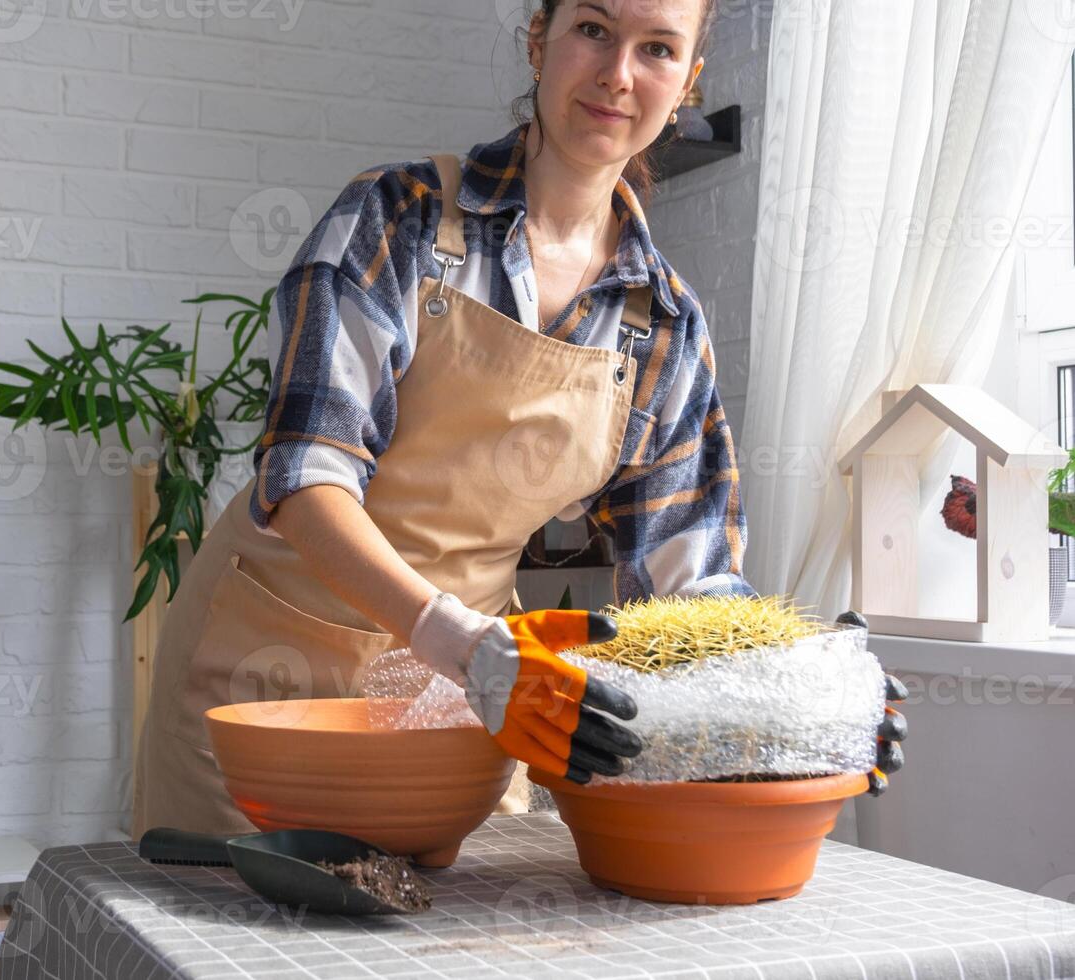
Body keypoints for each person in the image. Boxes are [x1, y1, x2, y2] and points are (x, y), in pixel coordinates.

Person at [131, 0, 905, 839]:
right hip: (270, 673)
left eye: (656, 49)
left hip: (466, 696)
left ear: (687, 83)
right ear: (539, 41)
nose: (617, 75)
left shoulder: (665, 329)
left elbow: (689, 583)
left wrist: (804, 687)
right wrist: (452, 637)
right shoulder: (398, 219)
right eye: (594, 31)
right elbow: (305, 475)